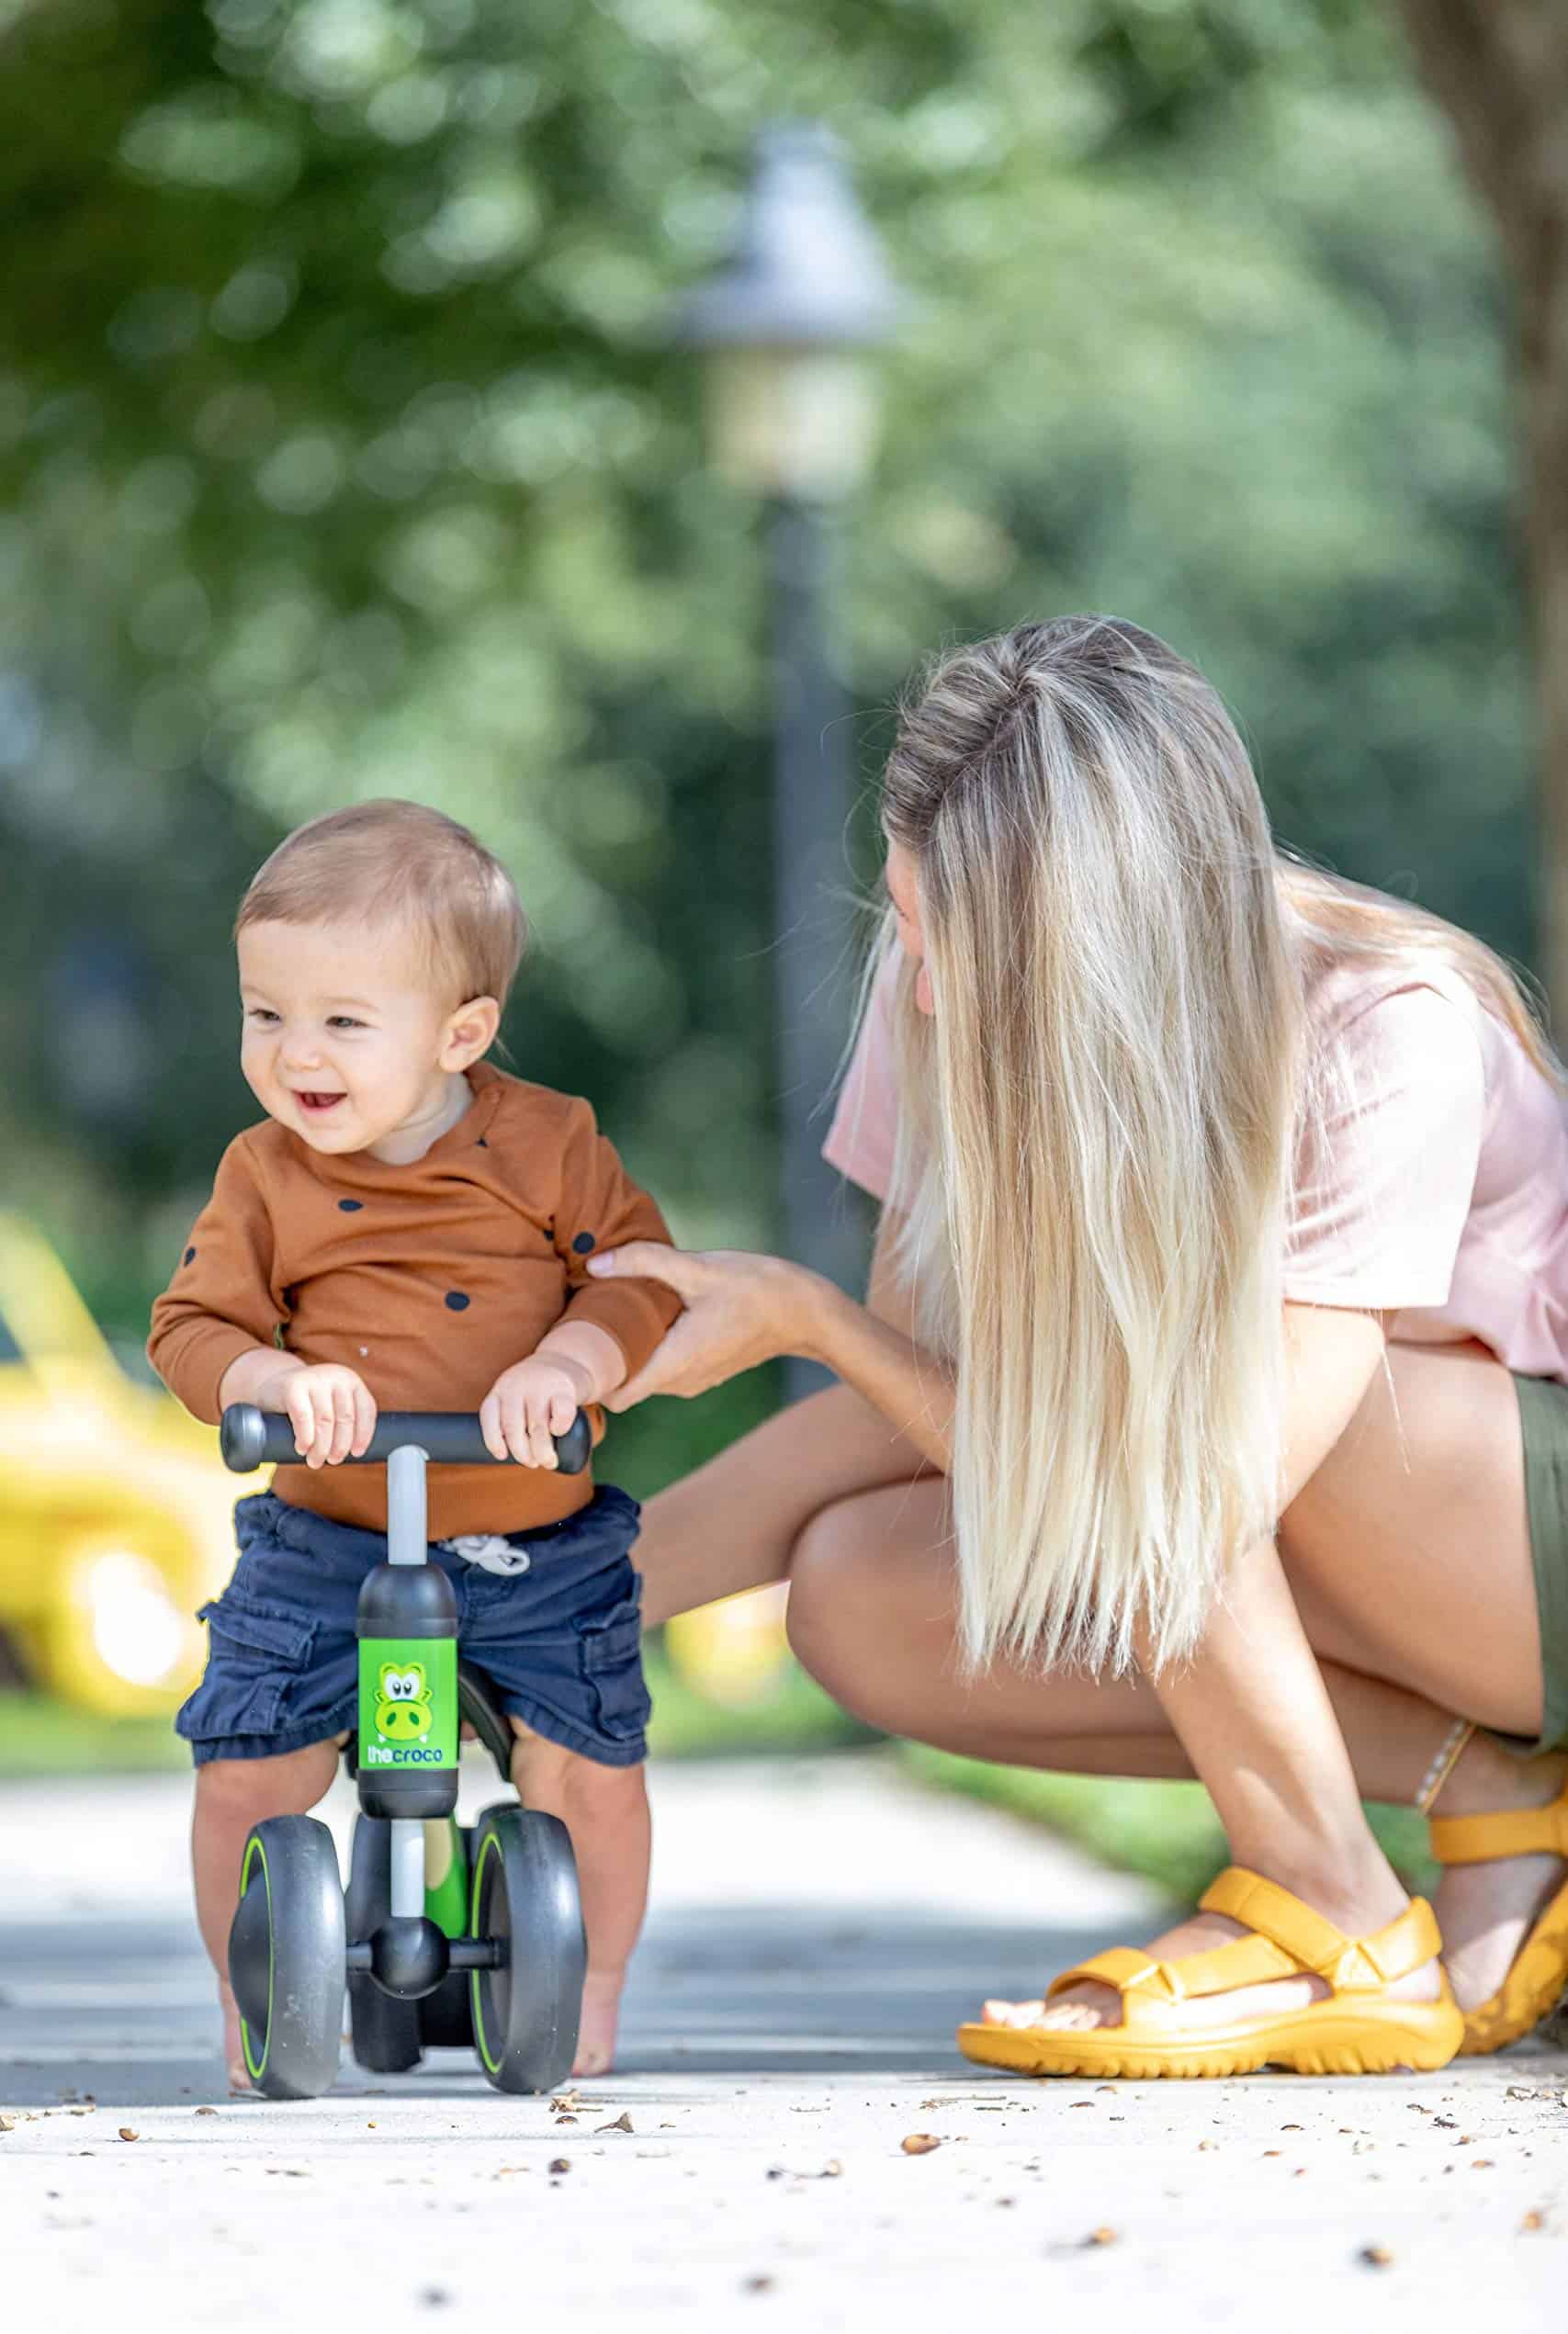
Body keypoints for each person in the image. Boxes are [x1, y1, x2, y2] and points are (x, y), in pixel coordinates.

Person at [587, 615, 1568, 2080]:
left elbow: (1203, 1494)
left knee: (1162, 1399)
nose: (922, 992)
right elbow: (908, 1402)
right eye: (911, 928)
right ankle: (1492, 1799)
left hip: (1509, 1533)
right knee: (863, 1592)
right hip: (1263, 1493)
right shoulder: (929, 990)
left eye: (962, 950)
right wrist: (550, 1607)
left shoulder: (1383, 1026)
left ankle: (1330, 1906)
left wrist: (822, 1325)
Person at [149, 800, 678, 2086]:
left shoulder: (550, 1145)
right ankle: (249, 1987)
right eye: (265, 1014)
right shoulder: (262, 1173)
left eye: (341, 1020)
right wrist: (268, 1370)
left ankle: (591, 1977)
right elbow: (191, 1324)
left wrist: (572, 1362)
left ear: (463, 1032)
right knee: (246, 1764)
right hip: (330, 1537)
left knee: (589, 1770)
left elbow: (645, 1280)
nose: (293, 1054)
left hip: (532, 1545)